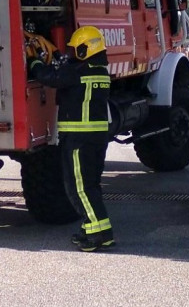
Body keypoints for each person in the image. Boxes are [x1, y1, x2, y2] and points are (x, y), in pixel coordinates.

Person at [27, 26, 113, 252]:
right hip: (95, 138)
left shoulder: (77, 72)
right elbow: (66, 71)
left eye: (76, 50)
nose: (73, 53)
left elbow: (50, 77)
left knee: (79, 189)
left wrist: (34, 62)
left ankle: (98, 234)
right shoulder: (99, 70)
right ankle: (95, 229)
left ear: (87, 49)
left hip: (79, 139)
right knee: (91, 186)